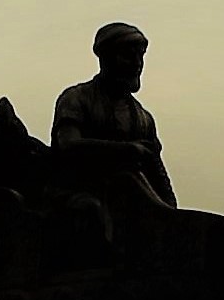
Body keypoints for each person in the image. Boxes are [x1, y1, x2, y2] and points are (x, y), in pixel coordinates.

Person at [51, 20, 174, 213]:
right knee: (90, 211)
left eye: (140, 56)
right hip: (79, 194)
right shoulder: (76, 98)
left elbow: (157, 172)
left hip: (132, 199)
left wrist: (172, 212)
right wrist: (127, 150)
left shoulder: (143, 119)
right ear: (106, 58)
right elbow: (68, 144)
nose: (136, 64)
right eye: (127, 56)